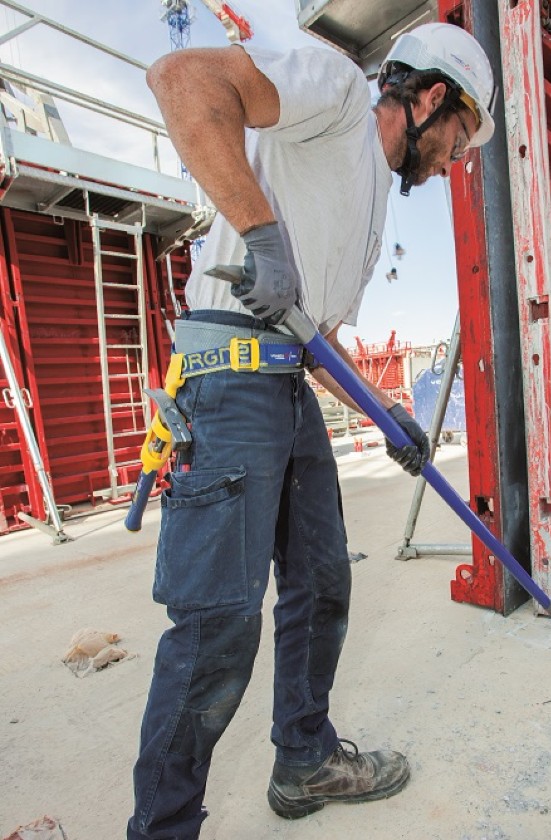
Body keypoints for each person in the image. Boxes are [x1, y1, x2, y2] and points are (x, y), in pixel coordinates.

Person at [127, 21, 495, 839]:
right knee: (218, 624)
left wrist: (386, 410)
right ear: (430, 97)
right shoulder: (332, 94)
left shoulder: (364, 215)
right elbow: (182, 78)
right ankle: (162, 827)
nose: (453, 162)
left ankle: (304, 758)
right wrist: (260, 234)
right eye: (459, 139)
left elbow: (314, 338)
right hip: (226, 381)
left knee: (322, 582)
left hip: (287, 386)